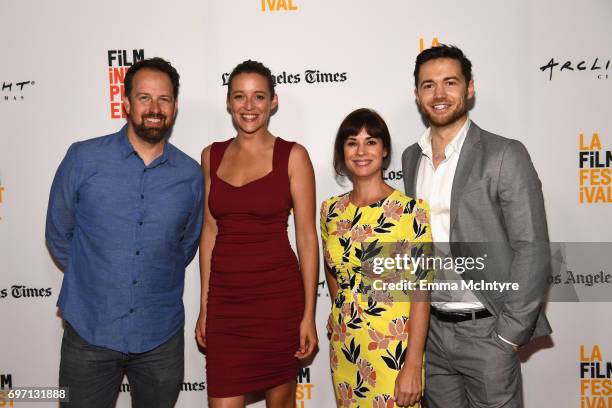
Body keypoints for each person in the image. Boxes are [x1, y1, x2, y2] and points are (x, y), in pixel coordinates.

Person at [46, 57, 203, 408]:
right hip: (90, 329)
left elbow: (186, 245)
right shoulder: (83, 158)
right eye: (144, 97)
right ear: (127, 103)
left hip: (160, 335)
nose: (154, 108)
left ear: (175, 107)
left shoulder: (191, 175)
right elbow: (59, 234)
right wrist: (98, 280)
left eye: (164, 99)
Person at [402, 44, 551, 407]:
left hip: (488, 331)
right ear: (417, 95)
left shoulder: (504, 154)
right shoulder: (411, 158)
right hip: (432, 334)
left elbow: (532, 249)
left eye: (450, 82)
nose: (439, 94)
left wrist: (508, 337)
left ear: (469, 88)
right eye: (428, 85)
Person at [196, 60, 319, 408]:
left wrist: (308, 313)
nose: (249, 107)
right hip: (226, 308)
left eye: (258, 97)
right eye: (240, 97)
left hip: (277, 305)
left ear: (273, 102)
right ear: (229, 103)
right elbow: (209, 232)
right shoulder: (211, 156)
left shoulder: (293, 156)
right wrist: (205, 307)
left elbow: (307, 239)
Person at [321, 108, 432, 408]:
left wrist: (412, 366)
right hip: (345, 347)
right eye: (351, 142)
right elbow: (334, 270)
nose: (361, 151)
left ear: (384, 151)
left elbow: (421, 294)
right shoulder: (331, 211)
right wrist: (339, 310)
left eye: (370, 141)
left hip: (392, 352)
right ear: (341, 151)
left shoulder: (411, 212)